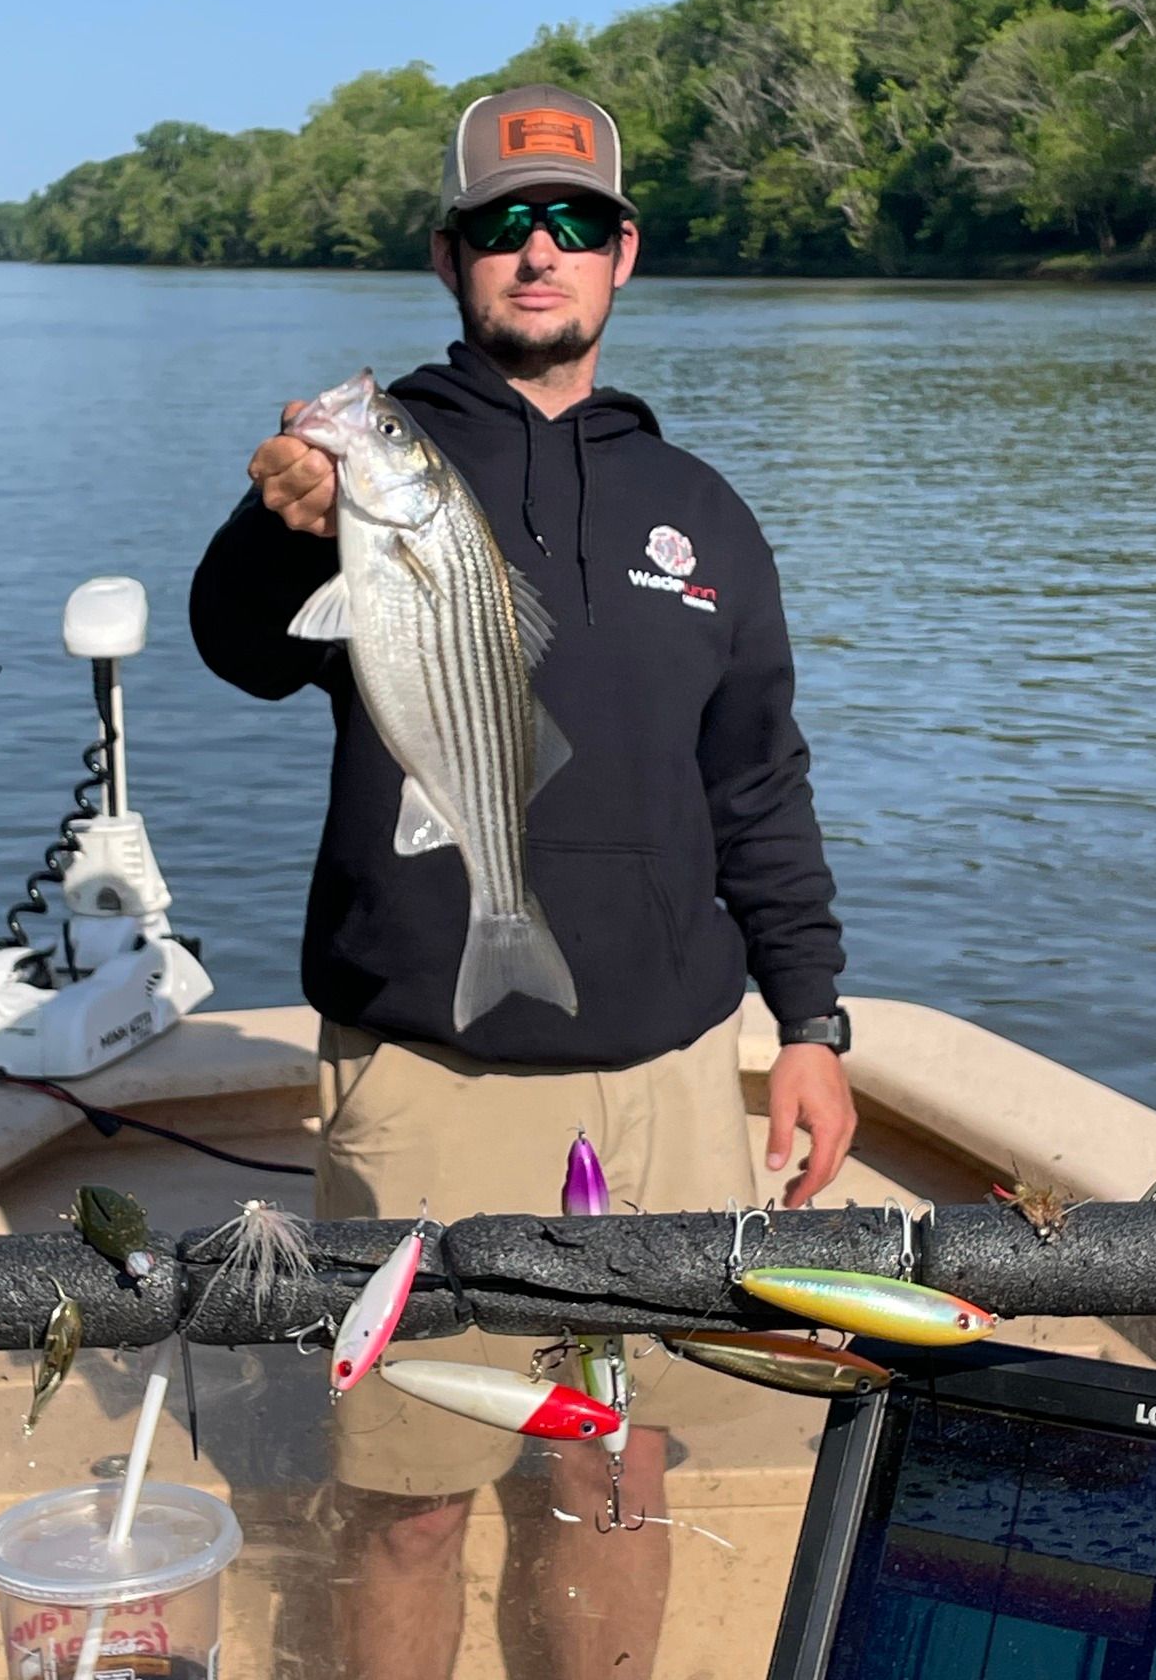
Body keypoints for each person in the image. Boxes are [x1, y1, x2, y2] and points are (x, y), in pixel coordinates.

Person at [190, 83, 855, 1680]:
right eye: (502, 225)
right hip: (428, 1068)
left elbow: (756, 780)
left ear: (622, 255)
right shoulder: (371, 464)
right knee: (410, 1497)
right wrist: (284, 522)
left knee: (610, 1468)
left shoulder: (704, 514)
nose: (537, 249)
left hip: (671, 1075)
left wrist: (811, 1018)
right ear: (451, 257)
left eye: (571, 222)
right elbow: (234, 644)